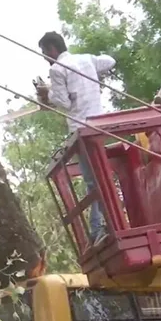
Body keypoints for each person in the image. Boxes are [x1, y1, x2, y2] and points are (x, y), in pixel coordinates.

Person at [35, 31, 116, 247]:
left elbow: (64, 103)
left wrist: (47, 92)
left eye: (44, 52)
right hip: (99, 126)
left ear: (52, 49)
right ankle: (106, 224)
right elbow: (109, 61)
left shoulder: (57, 69)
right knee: (100, 176)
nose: (45, 57)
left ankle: (98, 228)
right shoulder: (86, 59)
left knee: (92, 181)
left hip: (81, 130)